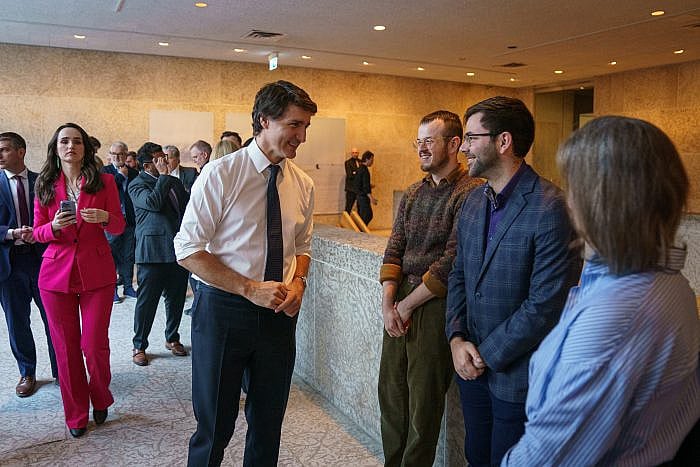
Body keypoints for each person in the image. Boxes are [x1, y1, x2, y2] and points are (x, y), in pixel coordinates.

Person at [502, 116, 699, 466]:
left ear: (600, 202)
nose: (568, 201)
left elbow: (543, 458)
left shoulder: (615, 317)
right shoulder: (668, 281)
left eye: (573, 186)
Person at [174, 80, 316, 466]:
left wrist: (299, 283)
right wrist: (249, 288)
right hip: (223, 311)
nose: (301, 136)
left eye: (305, 127)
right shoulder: (221, 174)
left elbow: (302, 246)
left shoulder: (302, 184)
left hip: (278, 315)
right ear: (263, 120)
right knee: (215, 425)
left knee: (268, 423)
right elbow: (187, 249)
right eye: (294, 125)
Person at [445, 96, 581, 466]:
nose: (464, 148)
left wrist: (484, 355)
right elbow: (458, 275)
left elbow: (545, 305)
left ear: (503, 142)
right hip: (469, 367)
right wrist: (457, 339)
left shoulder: (551, 206)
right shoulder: (473, 202)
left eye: (472, 138)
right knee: (476, 455)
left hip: (516, 376)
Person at [378, 111, 483, 466]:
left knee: (423, 402)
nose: (421, 149)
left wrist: (406, 306)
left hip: (435, 302)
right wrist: (388, 302)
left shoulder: (472, 192)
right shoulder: (413, 193)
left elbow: (452, 261)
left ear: (454, 145)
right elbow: (394, 248)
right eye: (418, 142)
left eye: (429, 141)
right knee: (391, 394)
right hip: (400, 300)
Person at [33, 123, 125, 437]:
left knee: (94, 344)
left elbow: (120, 226)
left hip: (97, 273)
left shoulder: (106, 182)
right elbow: (37, 232)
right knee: (66, 348)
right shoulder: (44, 184)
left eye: (76, 141)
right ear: (56, 148)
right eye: (64, 141)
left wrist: (106, 218)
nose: (71, 146)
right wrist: (54, 226)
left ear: (85, 147)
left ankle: (100, 396)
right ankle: (75, 415)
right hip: (55, 275)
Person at [0, 131, 58, 397]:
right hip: (9, 264)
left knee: (54, 319)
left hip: (44, 260)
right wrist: (10, 233)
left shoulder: (42, 182)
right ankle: (27, 372)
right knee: (17, 321)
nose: (0, 155)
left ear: (21, 151)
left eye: (4, 149)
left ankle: (61, 371)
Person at [128, 142, 190, 366]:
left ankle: (172, 338)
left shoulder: (174, 181)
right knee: (147, 301)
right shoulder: (136, 184)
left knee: (176, 298)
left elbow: (186, 209)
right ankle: (139, 344)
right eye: (159, 158)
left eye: (165, 157)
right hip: (151, 252)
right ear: (148, 164)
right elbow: (152, 204)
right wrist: (164, 177)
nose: (165, 161)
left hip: (177, 249)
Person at [102, 141, 138, 301]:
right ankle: (113, 289)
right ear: (109, 155)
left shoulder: (134, 172)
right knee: (111, 256)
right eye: (114, 154)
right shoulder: (104, 171)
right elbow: (105, 191)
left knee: (128, 255)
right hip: (111, 221)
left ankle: (129, 287)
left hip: (129, 221)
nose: (117, 157)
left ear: (125, 154)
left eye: (120, 154)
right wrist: (120, 176)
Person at [354, 150, 377, 225]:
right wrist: (372, 198)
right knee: (368, 216)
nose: (372, 162)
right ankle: (361, 232)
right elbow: (365, 187)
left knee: (362, 217)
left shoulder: (359, 168)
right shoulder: (365, 170)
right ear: (367, 159)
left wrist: (369, 185)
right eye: (372, 160)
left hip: (359, 197)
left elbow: (358, 183)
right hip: (363, 198)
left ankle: (361, 231)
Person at [344, 147, 360, 212]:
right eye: (353, 153)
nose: (354, 154)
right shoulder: (348, 162)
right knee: (348, 207)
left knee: (360, 208)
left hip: (359, 189)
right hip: (351, 189)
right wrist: (358, 172)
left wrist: (355, 172)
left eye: (356, 152)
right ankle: (345, 222)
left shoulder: (361, 161)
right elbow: (350, 175)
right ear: (351, 154)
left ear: (358, 153)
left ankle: (358, 222)